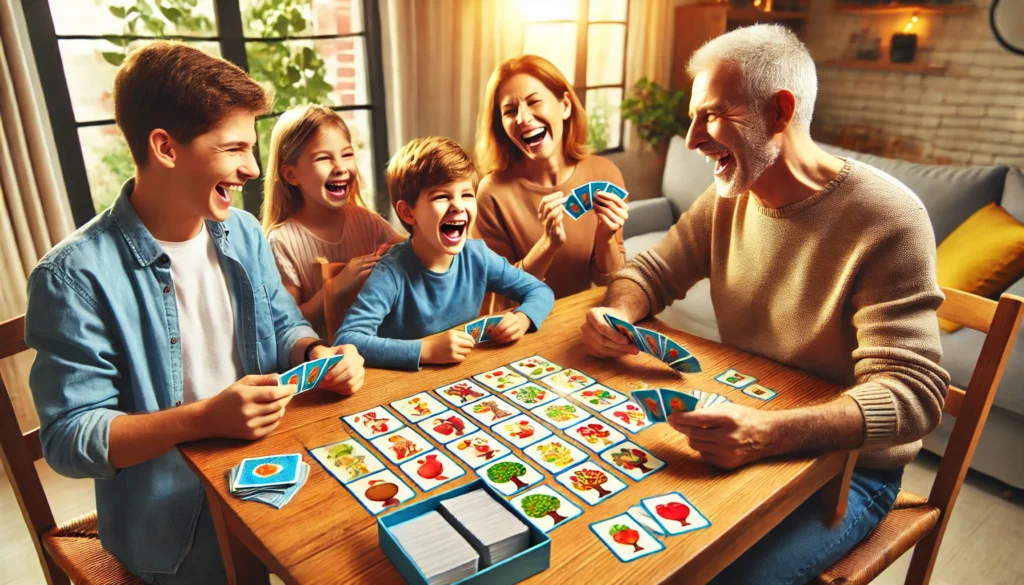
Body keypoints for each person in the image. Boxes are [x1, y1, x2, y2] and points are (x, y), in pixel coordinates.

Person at [580, 25, 950, 585]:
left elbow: (914, 394)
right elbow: (650, 272)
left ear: (780, 111)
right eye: (692, 118)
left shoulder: (889, 217)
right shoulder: (729, 196)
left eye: (710, 115)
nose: (691, 139)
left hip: (850, 473)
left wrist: (770, 433)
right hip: (742, 427)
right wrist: (620, 312)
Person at [24, 42, 364, 585]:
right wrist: (205, 419)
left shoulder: (244, 231)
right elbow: (70, 439)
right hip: (173, 522)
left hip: (271, 467)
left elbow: (281, 323)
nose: (253, 169)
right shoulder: (72, 277)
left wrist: (316, 353)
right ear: (165, 147)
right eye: (233, 149)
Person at [336, 136, 555, 370]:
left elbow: (539, 290)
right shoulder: (391, 273)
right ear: (409, 213)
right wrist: (427, 350)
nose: (458, 206)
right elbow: (348, 339)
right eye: (442, 196)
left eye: (467, 195)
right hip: (404, 388)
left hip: (463, 377)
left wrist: (522, 319)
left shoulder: (477, 256)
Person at [473, 54, 630, 303]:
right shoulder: (492, 193)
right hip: (522, 329)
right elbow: (496, 298)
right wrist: (548, 244)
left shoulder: (605, 173)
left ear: (565, 106)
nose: (523, 118)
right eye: (510, 111)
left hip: (584, 320)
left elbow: (612, 286)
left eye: (534, 102)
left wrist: (606, 238)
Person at [262, 104, 405, 338]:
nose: (340, 167)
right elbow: (288, 324)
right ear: (291, 175)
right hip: (328, 364)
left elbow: (414, 254)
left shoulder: (367, 221)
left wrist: (399, 253)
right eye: (323, 158)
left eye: (347, 154)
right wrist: (337, 286)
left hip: (381, 350)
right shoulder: (282, 241)